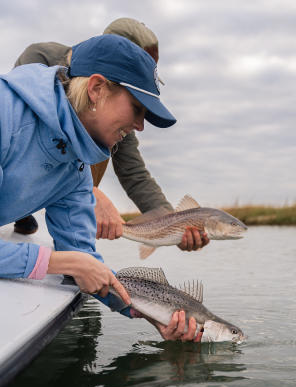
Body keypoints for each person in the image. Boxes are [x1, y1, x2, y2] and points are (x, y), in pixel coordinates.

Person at [0, 33, 202, 342]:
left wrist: (149, 312)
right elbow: (72, 261)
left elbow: (83, 258)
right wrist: (59, 261)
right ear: (96, 89)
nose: (140, 126)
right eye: (137, 108)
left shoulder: (76, 170)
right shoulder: (5, 114)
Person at [13, 17, 209, 252]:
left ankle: (73, 225)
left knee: (107, 139)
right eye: (136, 104)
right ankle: (24, 209)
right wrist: (90, 192)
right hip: (30, 168)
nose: (139, 124)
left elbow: (133, 171)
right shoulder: (41, 58)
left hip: (71, 184)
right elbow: (25, 129)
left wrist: (173, 224)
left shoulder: (116, 118)